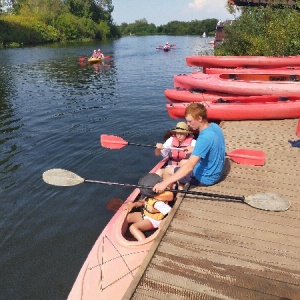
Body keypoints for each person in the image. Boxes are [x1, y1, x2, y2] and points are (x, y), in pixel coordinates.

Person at [153, 103, 226, 194]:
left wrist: (164, 183)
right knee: (183, 162)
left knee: (167, 171)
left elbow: (189, 167)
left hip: (206, 178)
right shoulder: (214, 127)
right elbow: (212, 147)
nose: (188, 124)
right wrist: (194, 149)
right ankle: (180, 186)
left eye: (190, 121)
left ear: (199, 118)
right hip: (215, 171)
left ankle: (169, 195)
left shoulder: (204, 137)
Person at [123, 174, 174, 241]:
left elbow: (171, 211)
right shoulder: (151, 197)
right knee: (128, 217)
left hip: (154, 221)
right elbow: (143, 202)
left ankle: (143, 242)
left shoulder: (158, 203)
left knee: (133, 227)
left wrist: (164, 221)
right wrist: (133, 204)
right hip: (146, 214)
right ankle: (123, 235)